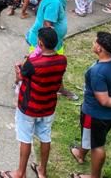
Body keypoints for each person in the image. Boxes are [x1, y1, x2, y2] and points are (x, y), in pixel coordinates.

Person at [69, 32, 111, 178]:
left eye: (94, 42)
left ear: (100, 49)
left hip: (95, 114)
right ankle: (80, 153)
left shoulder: (97, 72)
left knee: (98, 146)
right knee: (93, 136)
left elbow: (104, 100)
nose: (92, 44)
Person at [8, 27, 66, 178]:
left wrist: (18, 70)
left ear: (40, 43)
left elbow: (21, 77)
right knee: (45, 137)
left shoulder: (34, 63)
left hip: (29, 107)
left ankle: (20, 173)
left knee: (25, 138)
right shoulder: (62, 60)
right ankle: (42, 170)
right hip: (48, 107)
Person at [26, 0, 82, 100]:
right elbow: (47, 26)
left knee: (57, 68)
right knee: (34, 66)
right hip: (44, 44)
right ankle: (24, 86)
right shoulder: (55, 3)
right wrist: (49, 51)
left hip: (55, 43)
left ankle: (60, 89)